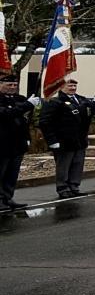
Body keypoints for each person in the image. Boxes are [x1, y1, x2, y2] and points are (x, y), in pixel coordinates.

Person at [38, 78, 95, 199]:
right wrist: (52, 140)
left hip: (79, 139)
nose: (73, 88)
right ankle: (63, 187)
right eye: (70, 86)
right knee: (64, 165)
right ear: (61, 87)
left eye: (74, 86)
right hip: (64, 140)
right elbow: (45, 122)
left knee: (77, 164)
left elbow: (93, 111)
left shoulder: (81, 99)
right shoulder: (54, 101)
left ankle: (74, 186)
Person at [0, 74, 38, 211]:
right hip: (2, 144)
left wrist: (27, 138)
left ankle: (8, 198)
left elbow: (25, 123)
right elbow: (6, 114)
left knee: (12, 174)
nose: (12, 88)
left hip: (17, 143)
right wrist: (27, 105)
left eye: (14, 85)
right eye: (9, 85)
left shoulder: (19, 99)